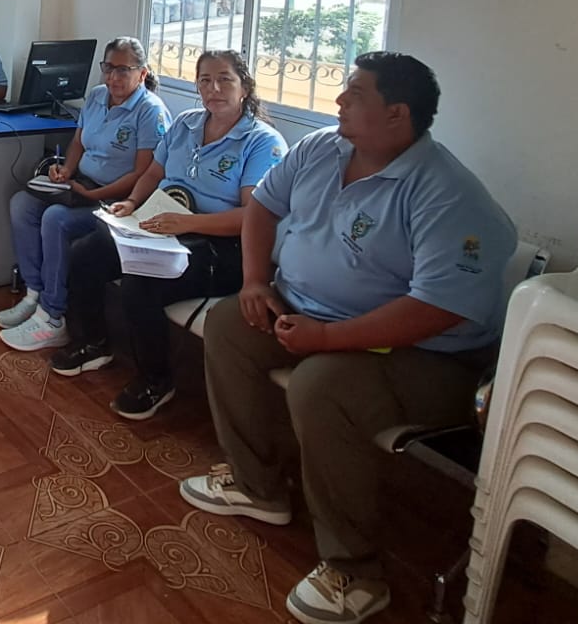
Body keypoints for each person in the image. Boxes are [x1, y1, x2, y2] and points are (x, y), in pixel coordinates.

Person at [180, 52, 516, 624]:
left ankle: (354, 571)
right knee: (231, 324)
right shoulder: (321, 149)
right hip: (309, 312)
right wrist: (256, 282)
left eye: (355, 94)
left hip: (427, 355)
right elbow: (263, 208)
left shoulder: (447, 194)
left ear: (397, 113)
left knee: (322, 384)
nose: (338, 101)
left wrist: (328, 339)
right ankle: (258, 487)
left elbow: (436, 308)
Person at [53, 50, 286, 421]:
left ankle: (155, 380)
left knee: (140, 282)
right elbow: (154, 173)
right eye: (205, 80)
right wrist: (131, 203)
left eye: (225, 79)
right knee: (87, 251)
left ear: (245, 87)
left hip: (220, 246)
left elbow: (252, 218)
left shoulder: (262, 142)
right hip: (165, 227)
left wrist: (187, 224)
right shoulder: (186, 124)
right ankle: (94, 343)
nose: (214, 88)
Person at [0, 37, 168, 352]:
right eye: (108, 68)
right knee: (22, 204)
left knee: (55, 218)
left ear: (142, 73)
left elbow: (142, 175)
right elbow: (78, 142)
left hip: (117, 202)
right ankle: (34, 293)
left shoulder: (150, 111)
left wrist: (94, 194)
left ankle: (53, 316)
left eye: (123, 70)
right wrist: (65, 170)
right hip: (82, 185)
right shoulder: (97, 95)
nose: (113, 77)